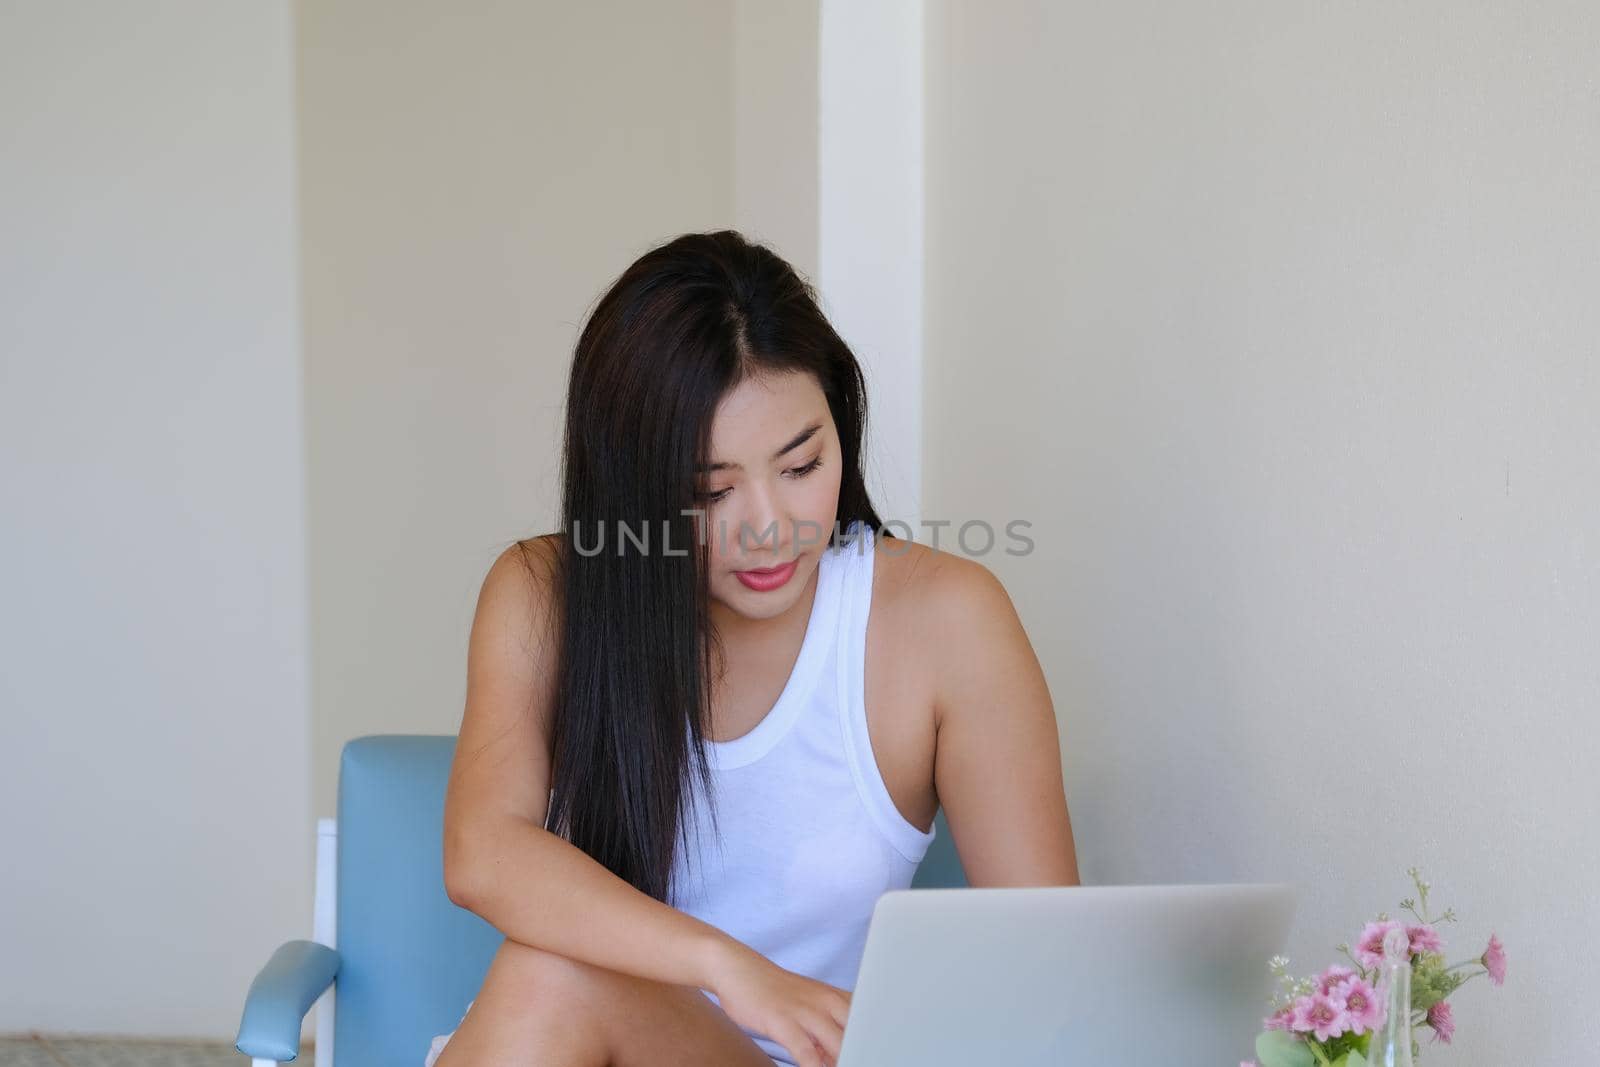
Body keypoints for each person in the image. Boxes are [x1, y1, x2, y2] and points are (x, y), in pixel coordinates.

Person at [429, 230, 1078, 1067]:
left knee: (555, 973)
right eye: (711, 491)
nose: (768, 528)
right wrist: (730, 968)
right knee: (553, 972)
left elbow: (1056, 965)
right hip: (570, 1045)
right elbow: (482, 852)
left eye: (802, 465)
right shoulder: (543, 595)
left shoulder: (943, 620)